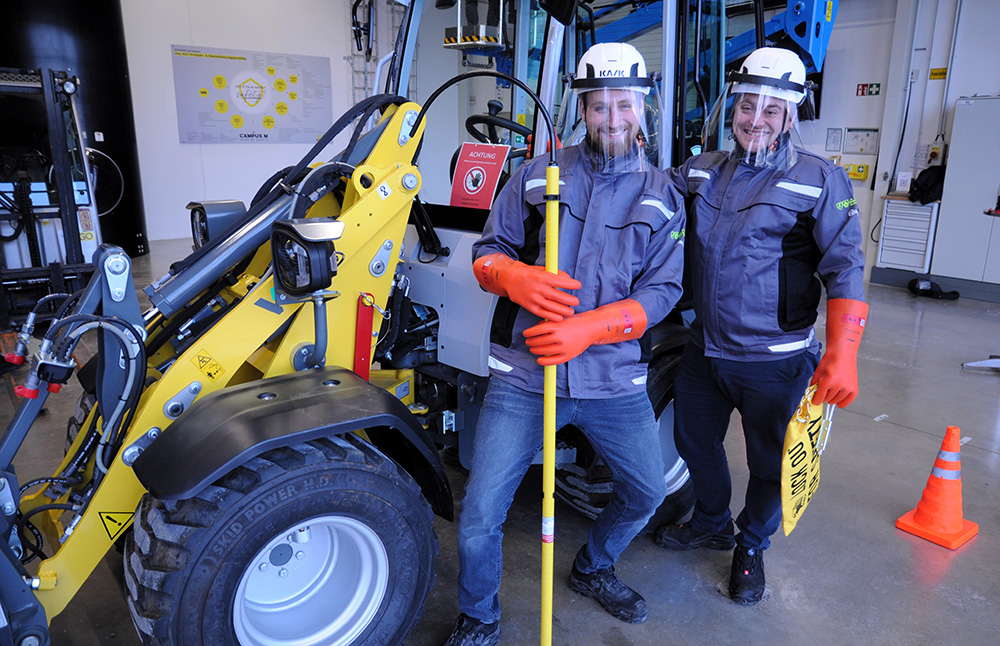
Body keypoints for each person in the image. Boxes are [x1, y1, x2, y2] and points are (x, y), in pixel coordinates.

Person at [442, 42, 686, 645]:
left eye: (622, 105)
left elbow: (664, 290)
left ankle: (594, 566)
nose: (611, 117)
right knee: (478, 517)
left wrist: (590, 327)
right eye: (599, 105)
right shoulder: (535, 176)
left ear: (642, 108)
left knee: (647, 492)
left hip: (612, 379)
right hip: (526, 376)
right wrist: (515, 277)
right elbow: (487, 252)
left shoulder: (662, 194)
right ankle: (478, 615)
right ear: (582, 106)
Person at [652, 46, 868, 605]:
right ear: (733, 109)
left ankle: (751, 544)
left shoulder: (819, 180)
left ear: (792, 115)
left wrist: (843, 353)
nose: (756, 119)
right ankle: (710, 520)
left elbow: (845, 267)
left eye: (771, 110)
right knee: (692, 441)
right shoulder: (702, 170)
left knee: (771, 461)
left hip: (776, 359)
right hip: (705, 350)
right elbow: (647, 191)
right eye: (748, 105)